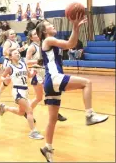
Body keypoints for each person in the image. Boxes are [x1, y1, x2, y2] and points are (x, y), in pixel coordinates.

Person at [36, 15, 109, 162]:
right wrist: (75, 26)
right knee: (86, 83)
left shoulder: (49, 42)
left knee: (52, 119)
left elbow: (72, 43)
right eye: (49, 25)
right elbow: (70, 44)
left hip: (50, 82)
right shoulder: (48, 40)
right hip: (54, 78)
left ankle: (47, 148)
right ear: (44, 31)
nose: (52, 26)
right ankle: (89, 114)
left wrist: (76, 27)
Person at [0, 50, 44, 140]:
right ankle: (33, 132)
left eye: (18, 53)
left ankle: (4, 108)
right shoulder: (10, 67)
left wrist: (34, 71)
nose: (18, 54)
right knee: (29, 110)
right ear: (11, 57)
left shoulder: (23, 64)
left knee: (21, 112)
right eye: (15, 53)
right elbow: (2, 76)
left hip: (25, 91)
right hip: (17, 91)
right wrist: (5, 78)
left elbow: (29, 75)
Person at [26, 29, 67, 122]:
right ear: (31, 38)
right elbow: (26, 62)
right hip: (37, 73)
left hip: (47, 72)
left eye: (37, 33)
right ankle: (27, 111)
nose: (37, 35)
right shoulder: (32, 47)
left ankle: (55, 113)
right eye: (34, 34)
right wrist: (37, 61)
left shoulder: (44, 43)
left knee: (52, 94)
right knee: (39, 97)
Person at [0, 29, 25, 101]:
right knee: (8, 79)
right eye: (11, 34)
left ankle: (19, 94)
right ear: (8, 36)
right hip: (9, 62)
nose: (13, 35)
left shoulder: (16, 42)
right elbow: (5, 52)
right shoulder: (7, 42)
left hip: (16, 61)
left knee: (17, 78)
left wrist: (21, 49)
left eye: (14, 33)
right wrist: (13, 48)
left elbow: (16, 51)